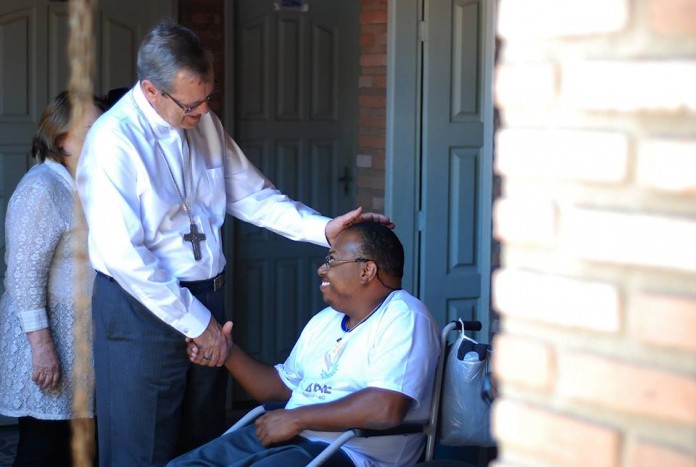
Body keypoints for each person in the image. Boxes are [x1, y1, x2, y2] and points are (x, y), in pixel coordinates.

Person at [76, 20, 393, 467]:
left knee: (204, 442)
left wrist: (325, 230)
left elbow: (253, 196)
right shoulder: (113, 141)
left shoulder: (203, 121)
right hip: (140, 310)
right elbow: (125, 257)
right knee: (139, 448)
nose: (204, 111)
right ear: (150, 91)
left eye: (209, 97)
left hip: (209, 298)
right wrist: (196, 323)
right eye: (192, 103)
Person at [168, 222, 441, 467]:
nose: (321, 269)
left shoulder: (405, 317)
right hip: (292, 437)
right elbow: (281, 387)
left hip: (352, 452)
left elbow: (386, 407)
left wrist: (297, 418)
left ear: (366, 270)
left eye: (332, 260)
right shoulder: (325, 320)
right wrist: (228, 352)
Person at [0, 91, 103, 466]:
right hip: (48, 340)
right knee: (43, 449)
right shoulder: (42, 188)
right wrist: (42, 349)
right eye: (90, 130)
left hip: (79, 340)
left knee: (75, 449)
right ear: (61, 139)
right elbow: (23, 276)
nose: (101, 137)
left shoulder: (83, 185)